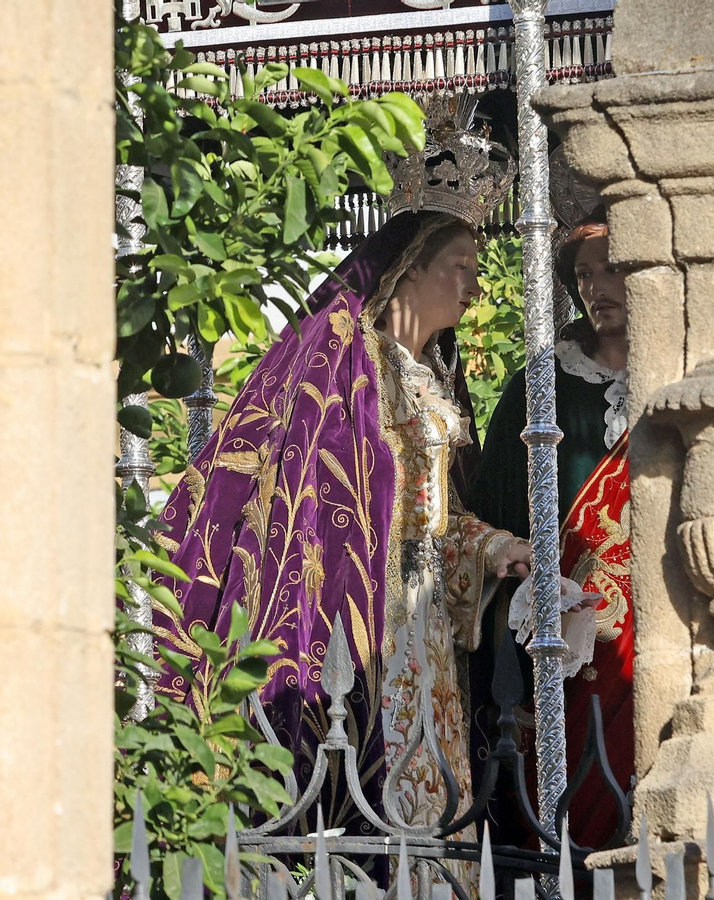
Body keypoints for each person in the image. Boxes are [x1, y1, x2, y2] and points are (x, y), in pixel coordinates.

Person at [150, 208, 533, 838]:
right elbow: (311, 496)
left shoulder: (435, 377)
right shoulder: (349, 366)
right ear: (409, 270)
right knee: (366, 763)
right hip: (362, 604)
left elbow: (437, 513)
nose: (474, 285)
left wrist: (494, 548)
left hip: (426, 617)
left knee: (432, 776)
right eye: (459, 266)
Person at [468, 218, 634, 849]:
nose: (595, 287)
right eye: (583, 275)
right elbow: (499, 513)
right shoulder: (540, 387)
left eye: (610, 268)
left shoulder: (678, 374)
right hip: (566, 638)